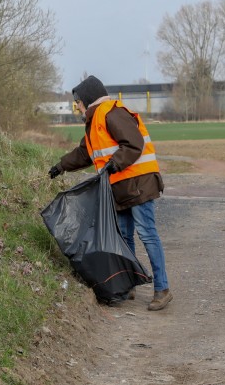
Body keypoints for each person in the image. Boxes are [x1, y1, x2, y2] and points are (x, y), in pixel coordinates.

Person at [49, 75, 172, 311]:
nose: (76, 105)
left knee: (147, 235)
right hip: (121, 189)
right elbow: (85, 153)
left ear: (88, 99)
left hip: (139, 184)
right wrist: (60, 166)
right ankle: (128, 286)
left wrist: (116, 162)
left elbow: (134, 142)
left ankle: (162, 289)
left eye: (78, 101)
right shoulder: (95, 121)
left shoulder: (111, 113)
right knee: (124, 238)